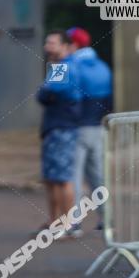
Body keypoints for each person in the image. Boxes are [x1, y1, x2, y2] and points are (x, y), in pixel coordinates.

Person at [35, 31, 81, 238]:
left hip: (62, 128)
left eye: (52, 43)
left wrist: (45, 92)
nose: (48, 46)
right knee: (52, 178)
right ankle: (55, 222)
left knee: (62, 178)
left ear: (64, 46)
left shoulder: (63, 67)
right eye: (47, 42)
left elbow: (46, 93)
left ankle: (67, 224)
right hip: (55, 127)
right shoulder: (59, 67)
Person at [66, 27, 112, 233]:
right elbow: (109, 99)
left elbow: (69, 99)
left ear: (74, 45)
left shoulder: (72, 66)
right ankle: (108, 218)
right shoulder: (102, 66)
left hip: (78, 128)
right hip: (98, 127)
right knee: (97, 176)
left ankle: (74, 222)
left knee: (74, 176)